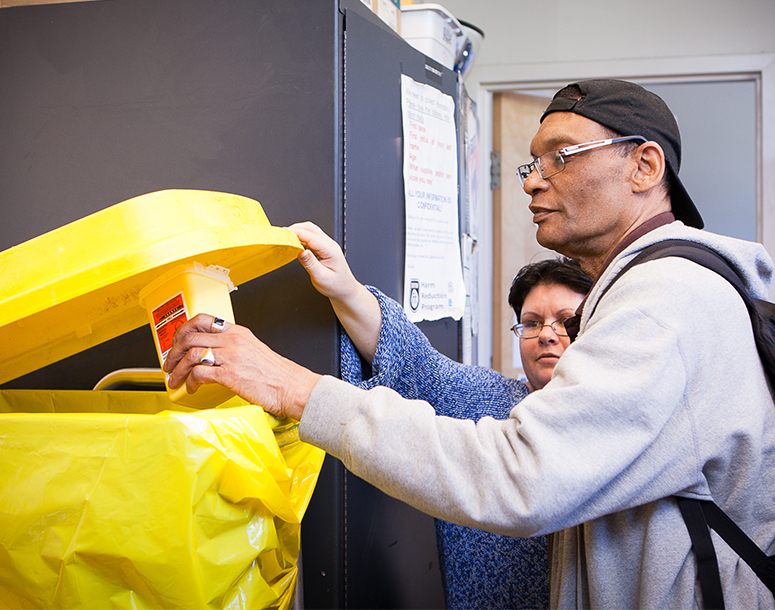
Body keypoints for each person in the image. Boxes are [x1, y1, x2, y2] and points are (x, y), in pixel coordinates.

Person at [164, 79, 775, 608]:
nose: (534, 182)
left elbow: (520, 475)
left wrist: (288, 385)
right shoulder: (666, 290)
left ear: (644, 166)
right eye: (531, 163)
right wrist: (349, 292)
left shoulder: (666, 300)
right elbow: (437, 381)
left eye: (561, 156)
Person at [290, 219, 591, 609]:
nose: (547, 334)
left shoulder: (622, 421)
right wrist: (345, 287)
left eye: (565, 322)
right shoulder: (490, 400)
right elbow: (416, 364)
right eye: (532, 323)